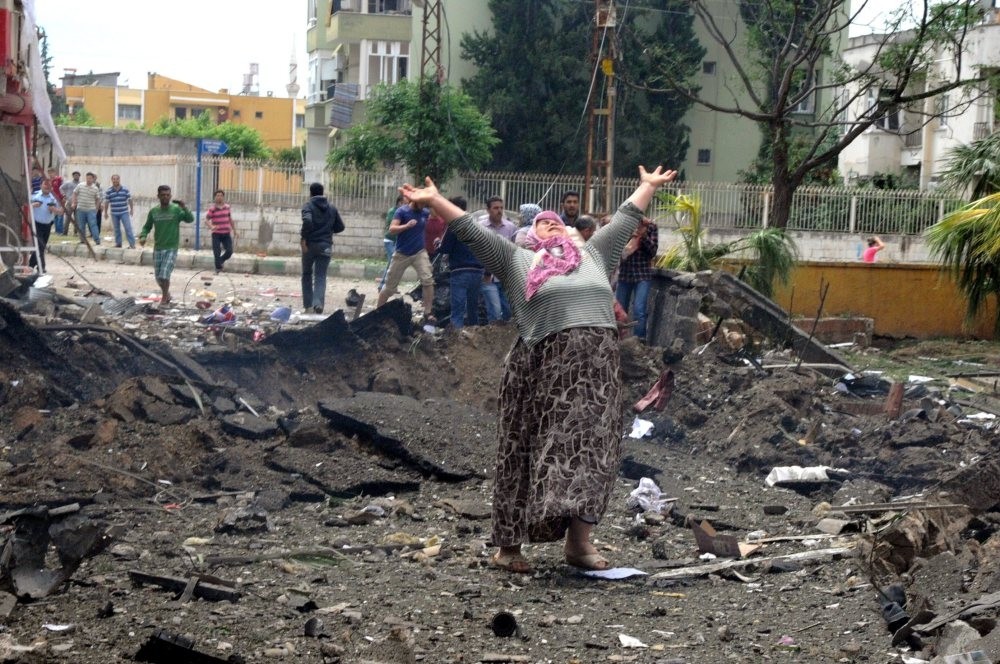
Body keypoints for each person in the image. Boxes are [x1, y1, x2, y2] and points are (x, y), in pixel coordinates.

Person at [399, 164, 678, 573]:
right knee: (524, 450)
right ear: (531, 237)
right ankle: (508, 549)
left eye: (557, 222)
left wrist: (648, 186)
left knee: (593, 453)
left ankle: (578, 545)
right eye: (543, 223)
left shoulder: (594, 255)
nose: (553, 225)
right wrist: (436, 201)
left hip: (597, 373)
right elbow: (471, 231)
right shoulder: (517, 260)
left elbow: (625, 218)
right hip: (542, 369)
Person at [376, 195, 435, 323]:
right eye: (421, 203)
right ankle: (378, 312)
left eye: (425, 203)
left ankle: (428, 312)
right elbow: (392, 229)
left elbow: (437, 217)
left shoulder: (425, 212)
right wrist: (406, 226)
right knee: (389, 288)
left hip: (419, 252)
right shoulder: (402, 211)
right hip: (402, 253)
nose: (423, 206)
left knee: (428, 280)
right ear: (414, 200)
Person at [138, 185, 194, 307]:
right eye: (163, 195)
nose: (165, 197)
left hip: (171, 248)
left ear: (170, 196)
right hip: (158, 247)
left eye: (168, 195)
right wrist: (143, 236)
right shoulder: (154, 211)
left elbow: (190, 219)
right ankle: (167, 294)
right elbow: (147, 227)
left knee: (164, 274)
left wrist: (184, 207)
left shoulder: (176, 210)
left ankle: (164, 298)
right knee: (158, 277)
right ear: (158, 196)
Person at [437, 196, 483, 329]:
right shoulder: (477, 224)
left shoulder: (453, 225)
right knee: (473, 309)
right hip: (477, 271)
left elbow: (445, 248)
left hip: (460, 271)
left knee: (458, 311)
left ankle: (456, 337)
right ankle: (475, 334)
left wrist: (437, 244)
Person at [300, 182, 344, 314]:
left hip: (310, 245)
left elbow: (307, 221)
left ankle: (308, 305)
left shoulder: (308, 206)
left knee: (307, 274)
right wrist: (328, 230)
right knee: (320, 275)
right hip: (326, 246)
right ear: (322, 192)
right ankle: (318, 303)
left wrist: (303, 238)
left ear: (310, 193)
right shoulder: (332, 208)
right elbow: (340, 227)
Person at [615, 217, 659, 340]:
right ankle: (617, 341)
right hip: (624, 274)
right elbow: (616, 248)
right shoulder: (623, 225)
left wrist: (643, 237)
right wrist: (630, 236)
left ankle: (639, 342)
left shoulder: (650, 226)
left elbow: (653, 252)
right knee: (620, 311)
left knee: (639, 310)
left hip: (642, 274)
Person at [481, 196, 517, 323]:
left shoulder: (511, 228)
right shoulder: (481, 227)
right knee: (495, 312)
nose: (499, 211)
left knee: (509, 312)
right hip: (488, 276)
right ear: (488, 210)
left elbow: (515, 251)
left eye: (501, 208)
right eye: (495, 208)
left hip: (506, 277)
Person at [28, 179, 61, 273]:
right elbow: (26, 207)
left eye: (49, 185)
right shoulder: (34, 196)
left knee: (41, 246)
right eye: (45, 185)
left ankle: (31, 264)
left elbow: (60, 212)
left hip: (47, 225)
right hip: (36, 224)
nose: (47, 187)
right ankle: (41, 267)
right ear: (41, 185)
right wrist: (33, 205)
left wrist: (54, 210)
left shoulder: (53, 198)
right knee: (40, 245)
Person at [206, 189, 236, 273]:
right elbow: (206, 220)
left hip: (226, 233)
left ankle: (220, 261)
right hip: (216, 234)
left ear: (223, 197)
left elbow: (230, 219)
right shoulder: (212, 209)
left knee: (229, 251)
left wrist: (235, 230)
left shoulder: (227, 207)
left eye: (221, 196)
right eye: (217, 196)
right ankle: (218, 268)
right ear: (215, 197)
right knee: (217, 252)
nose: (219, 197)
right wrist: (211, 226)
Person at [104, 174, 136, 249]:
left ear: (119, 180)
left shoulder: (125, 189)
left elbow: (130, 199)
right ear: (112, 180)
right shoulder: (109, 191)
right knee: (116, 229)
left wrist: (131, 209)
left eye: (117, 179)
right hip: (114, 213)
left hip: (124, 212)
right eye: (114, 179)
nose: (115, 180)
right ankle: (118, 244)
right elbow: (107, 202)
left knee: (128, 228)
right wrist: (105, 212)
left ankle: (132, 244)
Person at [379, 195, 403, 290]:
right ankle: (383, 285)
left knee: (393, 264)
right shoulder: (393, 211)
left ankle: (389, 286)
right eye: (404, 203)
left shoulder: (402, 212)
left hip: (397, 241)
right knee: (392, 263)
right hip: (390, 241)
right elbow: (391, 225)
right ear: (399, 202)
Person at [72, 172, 102, 244]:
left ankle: (97, 240)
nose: (88, 180)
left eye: (90, 178)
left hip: (91, 210)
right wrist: (74, 202)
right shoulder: (80, 185)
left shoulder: (95, 188)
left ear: (93, 179)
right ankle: (82, 240)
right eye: (87, 178)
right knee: (81, 225)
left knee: (93, 225)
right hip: (80, 209)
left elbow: (98, 199)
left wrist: (96, 209)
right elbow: (75, 193)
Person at [59, 171, 80, 237]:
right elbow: (61, 188)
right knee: (67, 218)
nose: (76, 176)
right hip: (69, 202)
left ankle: (76, 233)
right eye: (75, 175)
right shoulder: (68, 183)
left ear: (79, 176)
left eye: (77, 175)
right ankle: (65, 232)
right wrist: (64, 195)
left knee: (77, 219)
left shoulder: (81, 184)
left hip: (78, 203)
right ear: (73, 176)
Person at [47, 168, 65, 235]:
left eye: (51, 173)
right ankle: (56, 230)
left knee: (60, 214)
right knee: (54, 215)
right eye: (49, 173)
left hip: (59, 199)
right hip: (51, 199)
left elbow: (63, 188)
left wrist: (63, 197)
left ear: (54, 172)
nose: (50, 174)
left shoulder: (59, 179)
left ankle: (60, 231)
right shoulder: (48, 181)